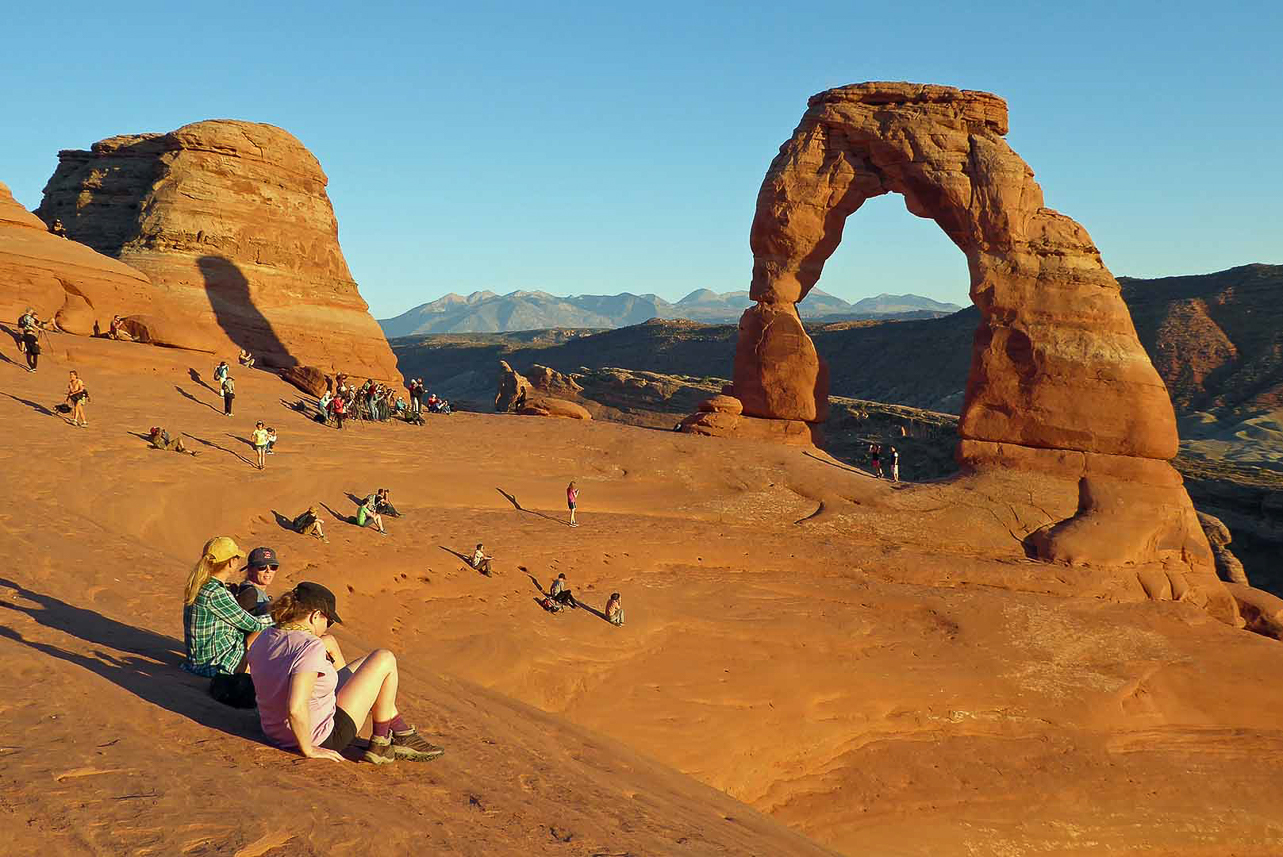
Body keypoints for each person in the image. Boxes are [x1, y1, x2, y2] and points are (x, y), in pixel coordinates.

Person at [247, 583, 445, 764]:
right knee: (385, 658)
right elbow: (295, 708)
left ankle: (400, 731)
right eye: (328, 620)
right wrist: (309, 750)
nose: (327, 626)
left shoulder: (266, 636)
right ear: (315, 616)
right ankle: (382, 742)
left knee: (339, 647)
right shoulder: (309, 647)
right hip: (322, 736)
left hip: (274, 732)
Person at [182, 536, 273, 677]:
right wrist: (280, 614)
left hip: (200, 661)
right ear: (231, 562)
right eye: (237, 558)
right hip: (215, 666)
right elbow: (255, 625)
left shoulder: (202, 585)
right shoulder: (215, 593)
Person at [230, 546, 280, 616]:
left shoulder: (258, 592)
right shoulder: (249, 593)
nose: (268, 571)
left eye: (273, 567)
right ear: (250, 570)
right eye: (262, 567)